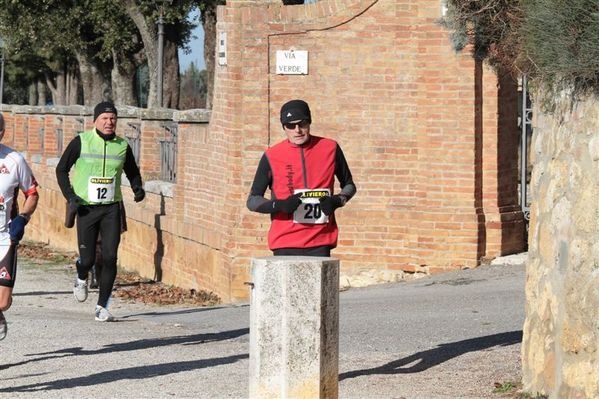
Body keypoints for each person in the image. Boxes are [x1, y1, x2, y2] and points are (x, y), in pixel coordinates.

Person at [56, 101, 145, 322]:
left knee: (110, 257)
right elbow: (61, 169)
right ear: (95, 120)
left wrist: (137, 188)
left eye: (113, 118)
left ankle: (102, 307)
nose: (109, 122)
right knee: (87, 259)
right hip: (86, 208)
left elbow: (132, 171)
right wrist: (71, 196)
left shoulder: (122, 145)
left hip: (111, 209)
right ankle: (80, 276)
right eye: (105, 118)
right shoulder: (81, 141)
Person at [246, 99, 356, 257]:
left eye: (302, 124)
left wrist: (337, 200)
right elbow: (252, 200)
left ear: (309, 123)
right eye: (290, 125)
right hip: (285, 241)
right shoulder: (272, 155)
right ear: (284, 127)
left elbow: (349, 185)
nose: (297, 130)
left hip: (321, 240)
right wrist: (280, 205)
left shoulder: (330, 148)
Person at [0, 113, 40, 340]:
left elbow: (32, 194)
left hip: (5, 238)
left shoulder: (14, 160)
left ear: (2, 133)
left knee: (3, 302)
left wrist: (23, 217)